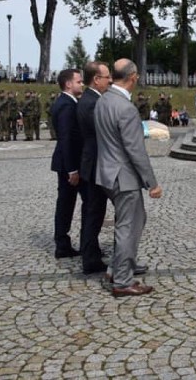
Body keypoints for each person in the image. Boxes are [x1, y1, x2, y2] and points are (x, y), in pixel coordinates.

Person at [95, 59, 162, 297]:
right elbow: (135, 150)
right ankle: (122, 280)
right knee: (129, 226)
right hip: (123, 177)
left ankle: (121, 265)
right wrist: (151, 183)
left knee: (135, 219)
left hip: (107, 173)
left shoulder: (103, 100)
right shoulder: (125, 108)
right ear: (133, 76)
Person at [76, 62, 111, 274]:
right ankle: (90, 259)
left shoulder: (90, 99)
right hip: (95, 164)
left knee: (93, 212)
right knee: (93, 213)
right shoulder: (92, 103)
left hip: (93, 162)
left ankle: (92, 251)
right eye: (107, 77)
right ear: (96, 79)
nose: (110, 81)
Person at [50, 69, 85, 258]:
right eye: (79, 81)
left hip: (67, 162)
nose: (82, 84)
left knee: (66, 203)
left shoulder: (67, 102)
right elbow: (66, 139)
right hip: (67, 164)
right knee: (65, 204)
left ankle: (63, 243)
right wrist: (72, 168)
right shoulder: (66, 105)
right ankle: (62, 244)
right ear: (68, 84)